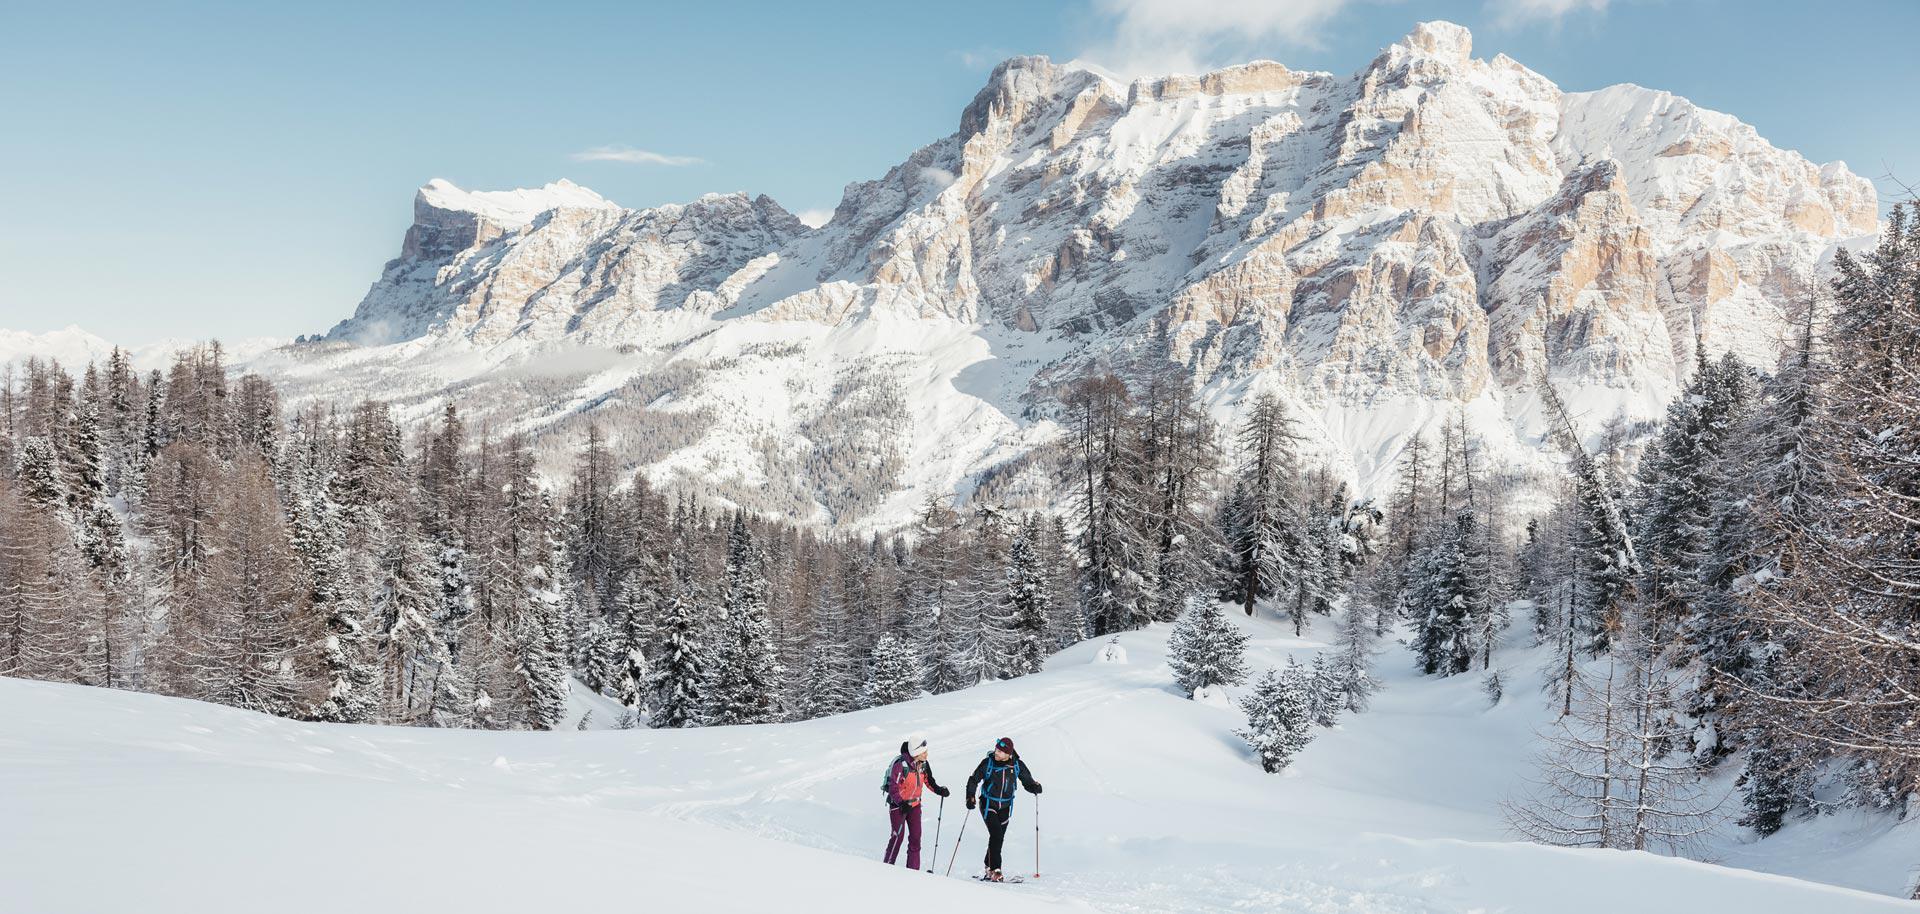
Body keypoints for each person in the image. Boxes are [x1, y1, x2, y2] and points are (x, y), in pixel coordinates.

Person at [964, 736, 1042, 881]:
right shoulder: (988, 763)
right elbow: (974, 779)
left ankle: (988, 866)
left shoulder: (1017, 765)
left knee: (998, 837)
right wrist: (970, 796)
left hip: (1006, 805)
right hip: (988, 803)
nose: (997, 753)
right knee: (996, 835)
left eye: (1000, 751)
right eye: (996, 750)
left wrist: (1034, 787)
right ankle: (996, 870)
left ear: (1008, 754)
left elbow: (1027, 781)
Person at [882, 733, 949, 869]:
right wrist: (901, 803)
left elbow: (929, 781)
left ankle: (913, 872)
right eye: (924, 752)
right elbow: (893, 787)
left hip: (914, 805)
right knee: (897, 837)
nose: (926, 755)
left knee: (915, 838)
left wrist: (939, 790)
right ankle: (887, 867)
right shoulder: (900, 765)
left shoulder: (923, 765)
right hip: (898, 806)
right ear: (916, 753)